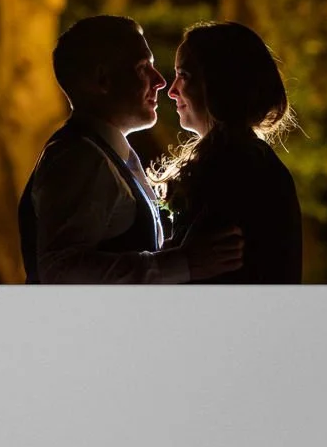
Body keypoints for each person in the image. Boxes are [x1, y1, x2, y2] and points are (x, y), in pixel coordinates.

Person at [19, 16, 241, 284]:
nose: (160, 81)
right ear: (103, 80)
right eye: (142, 67)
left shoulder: (103, 155)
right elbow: (60, 270)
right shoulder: (78, 158)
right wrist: (183, 264)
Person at [160, 22, 305, 285]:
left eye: (185, 76)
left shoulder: (236, 170)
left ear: (220, 83)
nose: (172, 90)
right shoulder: (244, 161)